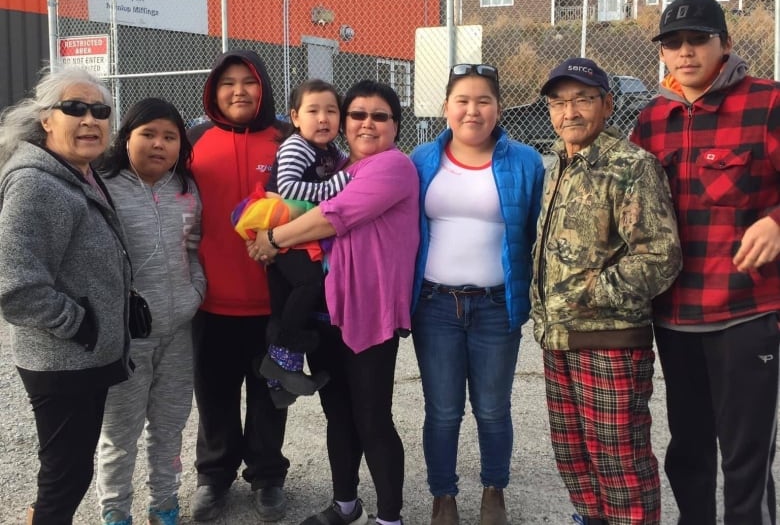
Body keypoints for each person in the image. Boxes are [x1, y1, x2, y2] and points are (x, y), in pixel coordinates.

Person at [631, 0, 780, 524]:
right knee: (689, 449)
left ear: (726, 45)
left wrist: (775, 222)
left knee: (746, 455)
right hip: (674, 316)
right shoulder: (651, 120)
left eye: (698, 40)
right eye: (673, 43)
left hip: (746, 312)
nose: (685, 52)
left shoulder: (767, 102)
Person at [249, 80, 419, 525]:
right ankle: (346, 504)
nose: (367, 123)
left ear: (396, 126)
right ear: (345, 123)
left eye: (379, 116)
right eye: (358, 114)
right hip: (327, 313)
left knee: (371, 417)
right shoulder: (340, 167)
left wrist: (272, 239)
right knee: (338, 414)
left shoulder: (392, 166)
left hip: (368, 315)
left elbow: (333, 216)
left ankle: (389, 517)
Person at [531, 57, 682, 525]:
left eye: (582, 99)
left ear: (607, 104)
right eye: (559, 102)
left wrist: (591, 291)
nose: (569, 112)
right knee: (573, 456)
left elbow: (661, 257)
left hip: (609, 339)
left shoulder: (630, 166)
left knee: (620, 463)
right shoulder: (560, 162)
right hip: (558, 338)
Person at [409, 63, 544, 525]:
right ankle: (443, 495)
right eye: (462, 100)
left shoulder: (524, 161)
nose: (472, 110)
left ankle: (493, 490)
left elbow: (531, 233)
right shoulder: (422, 159)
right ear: (446, 107)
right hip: (435, 305)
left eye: (483, 100)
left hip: (494, 306)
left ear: (499, 108)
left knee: (492, 408)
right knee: (443, 411)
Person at [0, 66, 132, 524]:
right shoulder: (36, 184)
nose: (89, 119)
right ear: (46, 119)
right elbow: (15, 286)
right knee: (67, 478)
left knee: (63, 471)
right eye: (74, 108)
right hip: (63, 361)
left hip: (80, 358)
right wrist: (82, 325)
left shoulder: (78, 173)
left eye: (100, 110)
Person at [186, 50, 289, 522]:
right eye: (227, 82)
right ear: (213, 90)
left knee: (270, 395)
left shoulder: (288, 140)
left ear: (263, 86)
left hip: (276, 302)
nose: (239, 91)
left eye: (248, 81)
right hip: (211, 301)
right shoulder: (194, 141)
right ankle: (214, 475)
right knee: (214, 395)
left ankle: (267, 475)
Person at [94, 98, 206, 525]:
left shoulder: (186, 188)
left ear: (181, 144)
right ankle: (115, 514)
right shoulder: (103, 184)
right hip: (127, 338)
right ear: (127, 138)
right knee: (119, 436)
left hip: (179, 330)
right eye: (148, 134)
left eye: (169, 137)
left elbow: (193, 248)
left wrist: (195, 291)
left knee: (169, 427)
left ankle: (164, 506)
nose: (158, 144)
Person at [251, 78, 350, 407]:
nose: (323, 118)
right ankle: (287, 346)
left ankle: (282, 380)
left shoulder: (331, 151)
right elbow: (291, 189)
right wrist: (342, 182)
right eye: (313, 111)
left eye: (331, 111)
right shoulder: (297, 146)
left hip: (296, 234)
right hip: (286, 234)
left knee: (283, 304)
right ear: (295, 117)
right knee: (310, 283)